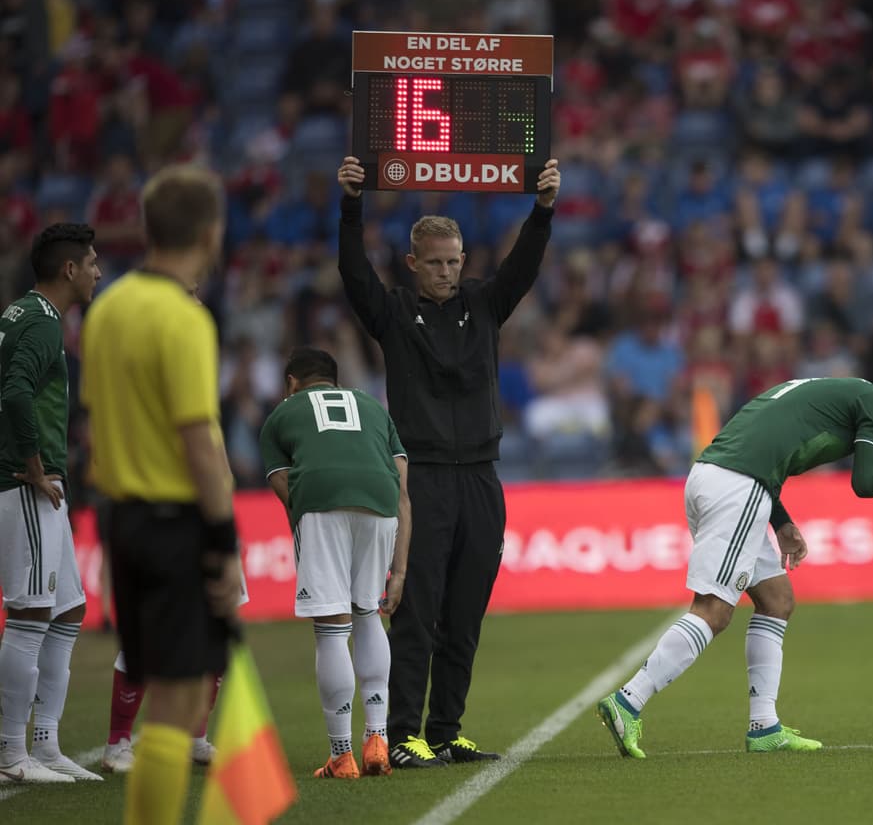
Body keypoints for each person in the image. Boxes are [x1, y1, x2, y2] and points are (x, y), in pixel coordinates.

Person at [336, 155, 559, 767]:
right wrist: (351, 205)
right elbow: (354, 276)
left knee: (464, 615)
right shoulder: (393, 315)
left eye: (454, 262)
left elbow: (524, 266)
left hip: (483, 480)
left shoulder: (484, 305)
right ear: (412, 264)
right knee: (417, 613)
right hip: (423, 482)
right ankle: (403, 732)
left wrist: (542, 209)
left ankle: (444, 730)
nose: (445, 272)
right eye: (434, 263)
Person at [597, 377, 873, 757]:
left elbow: (771, 443)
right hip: (738, 486)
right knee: (713, 609)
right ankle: (629, 700)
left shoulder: (847, 393)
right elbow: (864, 482)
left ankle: (764, 727)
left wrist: (781, 523)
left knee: (776, 600)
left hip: (725, 477)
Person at [81, 164, 241, 825]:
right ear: (209, 232)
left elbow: (93, 423)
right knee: (176, 705)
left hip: (118, 518)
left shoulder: (108, 306)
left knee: (155, 683)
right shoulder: (185, 317)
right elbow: (199, 439)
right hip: (174, 518)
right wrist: (224, 540)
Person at [258, 347, 412, 779]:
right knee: (368, 613)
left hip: (321, 502)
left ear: (291, 384)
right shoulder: (372, 407)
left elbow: (282, 481)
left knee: (331, 626)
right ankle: (377, 739)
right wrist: (398, 571)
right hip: (381, 504)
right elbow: (402, 488)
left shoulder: (281, 416)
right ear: (335, 380)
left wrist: (311, 518)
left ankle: (342, 754)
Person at [0, 223, 103, 784]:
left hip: (38, 484)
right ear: (68, 270)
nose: (97, 272)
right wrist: (34, 466)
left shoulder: (20, 314)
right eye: (91, 263)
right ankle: (11, 752)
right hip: (25, 483)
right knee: (31, 611)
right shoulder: (41, 321)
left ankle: (43, 744)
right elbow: (15, 391)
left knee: (67, 609)